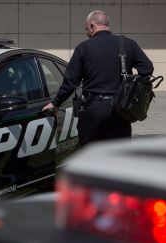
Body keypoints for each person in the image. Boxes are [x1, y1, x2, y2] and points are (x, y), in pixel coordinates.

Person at [42, 10, 154, 146]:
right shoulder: (128, 44)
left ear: (92, 26)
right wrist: (131, 88)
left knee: (89, 155)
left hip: (92, 110)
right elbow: (147, 69)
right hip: (121, 111)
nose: (86, 33)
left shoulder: (83, 48)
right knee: (119, 156)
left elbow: (70, 82)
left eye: (86, 29)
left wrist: (55, 103)